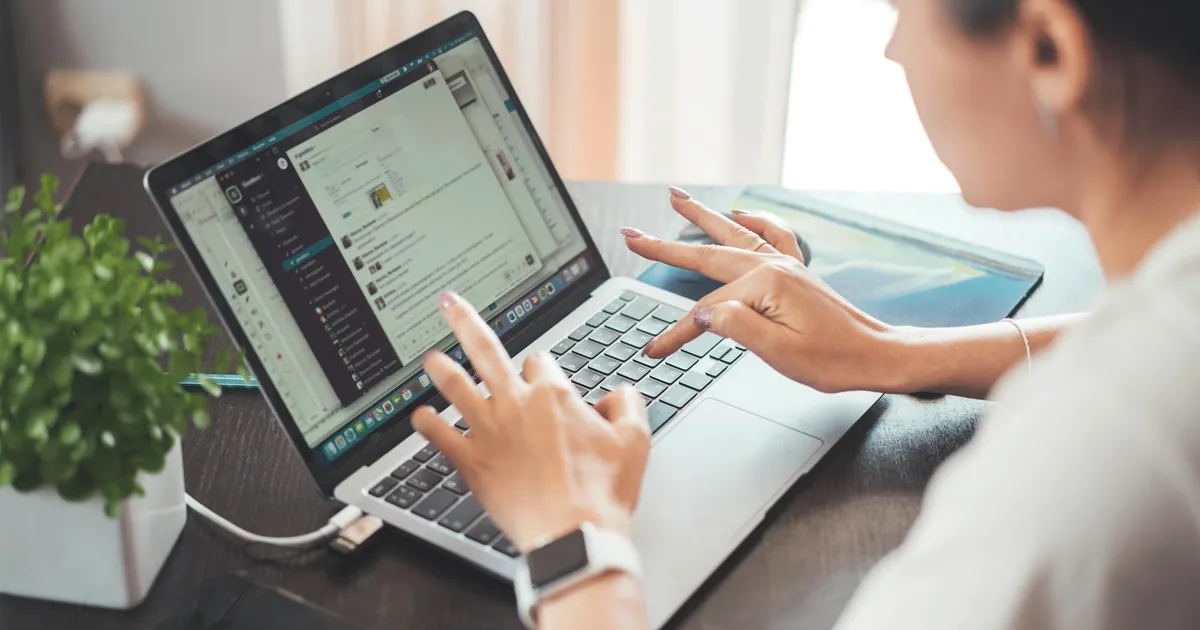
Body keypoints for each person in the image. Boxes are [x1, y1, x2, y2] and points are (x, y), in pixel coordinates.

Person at [412, 0, 1200, 627]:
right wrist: (894, 350)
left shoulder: (1084, 467)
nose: (893, 50)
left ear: (1050, 51)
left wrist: (569, 535)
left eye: (901, 10)